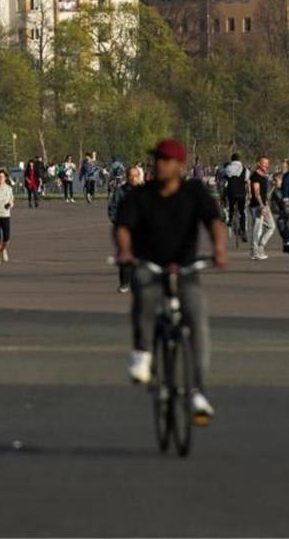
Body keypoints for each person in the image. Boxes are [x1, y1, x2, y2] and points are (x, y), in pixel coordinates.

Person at [114, 138, 225, 421]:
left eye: (166, 160)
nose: (159, 164)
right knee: (146, 297)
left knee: (197, 317)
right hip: (149, 265)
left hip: (185, 268)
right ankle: (142, 352)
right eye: (157, 159)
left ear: (180, 166)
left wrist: (219, 248)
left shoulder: (194, 192)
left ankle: (198, 390)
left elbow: (213, 220)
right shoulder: (141, 195)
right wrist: (125, 252)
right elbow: (124, 226)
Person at [108, 164, 145, 293]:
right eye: (131, 176)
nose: (133, 178)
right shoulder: (120, 191)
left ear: (139, 177)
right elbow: (113, 208)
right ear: (127, 177)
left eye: (136, 176)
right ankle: (124, 283)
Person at [247, 155, 275, 261]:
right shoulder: (255, 176)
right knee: (257, 230)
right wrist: (261, 206)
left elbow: (264, 193)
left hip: (264, 204)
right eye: (264, 163)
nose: (266, 165)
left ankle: (260, 246)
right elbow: (256, 192)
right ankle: (254, 252)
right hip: (257, 206)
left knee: (271, 226)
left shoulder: (264, 176)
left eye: (267, 163)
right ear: (258, 163)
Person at [223, 153, 250, 242]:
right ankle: (243, 230)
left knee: (231, 206)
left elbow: (225, 179)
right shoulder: (245, 169)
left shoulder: (228, 168)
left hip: (231, 192)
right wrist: (249, 194)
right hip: (242, 193)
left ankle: (230, 219)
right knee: (242, 212)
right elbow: (247, 182)